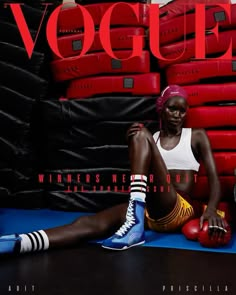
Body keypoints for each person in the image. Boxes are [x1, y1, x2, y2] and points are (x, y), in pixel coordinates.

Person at [0, 85, 227, 254]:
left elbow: (215, 179)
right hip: (149, 208)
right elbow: (142, 170)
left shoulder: (195, 136)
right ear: (162, 109)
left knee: (140, 134)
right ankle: (19, 242)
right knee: (89, 223)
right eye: (172, 109)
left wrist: (211, 210)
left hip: (179, 207)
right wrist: (134, 142)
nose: (178, 115)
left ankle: (134, 224)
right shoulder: (154, 138)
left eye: (182, 111)